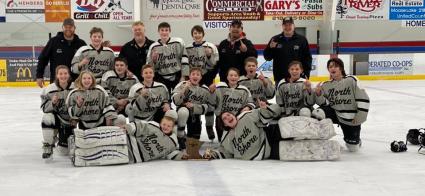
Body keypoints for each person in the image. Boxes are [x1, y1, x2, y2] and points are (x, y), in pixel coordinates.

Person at [71, 111, 188, 166]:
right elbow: (140, 126)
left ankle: (81, 157)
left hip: (132, 157)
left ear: (173, 127)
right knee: (103, 138)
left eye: (168, 126)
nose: (165, 127)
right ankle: (80, 138)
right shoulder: (154, 125)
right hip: (127, 140)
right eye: (164, 124)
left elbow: (170, 153)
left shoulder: (172, 143)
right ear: (161, 122)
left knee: (103, 154)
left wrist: (180, 155)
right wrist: (128, 127)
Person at [315, 58, 370, 152]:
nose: (333, 68)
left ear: (341, 68)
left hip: (351, 119)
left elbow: (363, 98)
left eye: (335, 66)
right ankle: (320, 139)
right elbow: (324, 104)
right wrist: (319, 94)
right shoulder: (325, 85)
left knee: (353, 148)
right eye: (330, 67)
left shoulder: (352, 80)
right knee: (318, 112)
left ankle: (356, 140)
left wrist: (360, 116)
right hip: (335, 113)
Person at [203, 101, 281, 160]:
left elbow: (273, 111)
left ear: (233, 115)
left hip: (269, 138)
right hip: (269, 151)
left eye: (228, 115)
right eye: (225, 119)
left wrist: (264, 109)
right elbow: (224, 152)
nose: (228, 117)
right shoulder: (227, 139)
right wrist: (212, 155)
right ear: (225, 125)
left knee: (280, 127)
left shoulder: (246, 116)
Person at [36, 18, 86, 87]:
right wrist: (39, 76)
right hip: (56, 81)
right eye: (66, 27)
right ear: (62, 27)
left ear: (74, 28)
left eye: (70, 27)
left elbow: (86, 62)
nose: (68, 29)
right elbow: (43, 59)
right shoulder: (53, 41)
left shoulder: (81, 43)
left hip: (75, 82)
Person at [263, 16, 312, 84]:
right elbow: (267, 58)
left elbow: (307, 58)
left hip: (298, 78)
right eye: (285, 25)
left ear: (294, 26)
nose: (287, 27)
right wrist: (270, 48)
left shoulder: (302, 40)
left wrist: (306, 74)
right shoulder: (275, 39)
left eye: (289, 25)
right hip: (280, 78)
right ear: (282, 26)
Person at [40, 65, 75, 159]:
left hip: (71, 121)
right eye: (61, 74)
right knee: (47, 118)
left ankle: (61, 139)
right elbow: (44, 108)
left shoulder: (76, 87)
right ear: (56, 75)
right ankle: (48, 145)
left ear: (69, 74)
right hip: (58, 119)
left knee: (64, 152)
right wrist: (52, 103)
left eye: (65, 73)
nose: (63, 76)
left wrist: (75, 117)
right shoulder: (49, 89)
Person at [211, 68, 255, 142]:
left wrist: (248, 107)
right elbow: (212, 101)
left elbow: (251, 102)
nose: (233, 77)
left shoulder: (244, 90)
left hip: (237, 118)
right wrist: (211, 92)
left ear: (238, 77)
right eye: (231, 75)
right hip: (221, 118)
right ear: (227, 77)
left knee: (236, 139)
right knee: (222, 140)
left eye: (235, 75)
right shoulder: (220, 87)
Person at [172, 68, 212, 149]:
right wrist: (184, 90)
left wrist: (194, 106)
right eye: (193, 74)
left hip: (195, 115)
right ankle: (180, 136)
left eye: (198, 74)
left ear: (201, 77)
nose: (195, 76)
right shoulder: (182, 84)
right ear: (189, 76)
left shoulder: (204, 89)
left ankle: (188, 136)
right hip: (182, 112)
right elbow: (175, 101)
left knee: (194, 142)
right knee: (184, 111)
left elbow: (208, 107)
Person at [147, 22, 189, 93]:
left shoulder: (178, 42)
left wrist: (183, 76)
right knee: (165, 100)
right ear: (158, 31)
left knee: (179, 98)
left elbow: (184, 59)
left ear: (170, 31)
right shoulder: (153, 47)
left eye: (166, 30)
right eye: (162, 30)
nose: (164, 32)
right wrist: (153, 60)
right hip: (161, 78)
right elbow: (149, 66)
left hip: (177, 76)